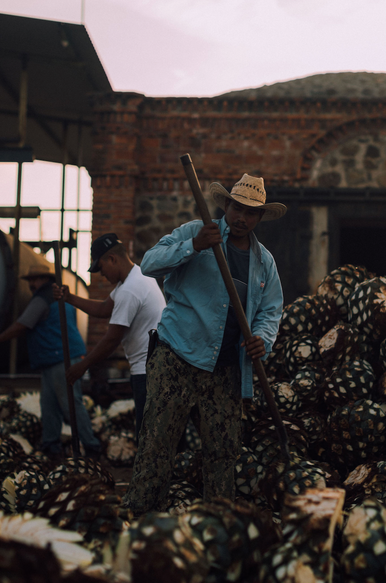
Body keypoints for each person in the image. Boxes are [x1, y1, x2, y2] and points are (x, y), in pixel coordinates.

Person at [121, 173, 286, 513]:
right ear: (226, 205)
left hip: (225, 369)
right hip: (176, 356)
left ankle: (218, 520)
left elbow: (271, 311)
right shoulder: (197, 232)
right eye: (236, 208)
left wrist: (262, 340)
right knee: (157, 441)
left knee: (223, 450)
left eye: (250, 212)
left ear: (259, 218)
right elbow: (149, 265)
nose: (241, 217)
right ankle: (140, 515)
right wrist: (192, 246)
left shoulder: (263, 262)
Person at [54, 233, 166, 442]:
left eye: (102, 268)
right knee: (154, 433)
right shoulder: (136, 277)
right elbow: (105, 308)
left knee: (149, 437)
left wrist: (83, 365)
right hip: (153, 367)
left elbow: (112, 339)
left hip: (147, 371)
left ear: (112, 259)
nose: (102, 275)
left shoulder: (130, 290)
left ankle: (153, 475)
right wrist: (70, 298)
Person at [0, 265, 101, 462]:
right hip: (55, 357)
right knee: (49, 404)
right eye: (30, 280)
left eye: (35, 280)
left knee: (70, 403)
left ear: (44, 280)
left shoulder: (43, 298)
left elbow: (23, 325)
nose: (31, 284)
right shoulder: (59, 297)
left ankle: (91, 446)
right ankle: (51, 445)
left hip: (59, 357)